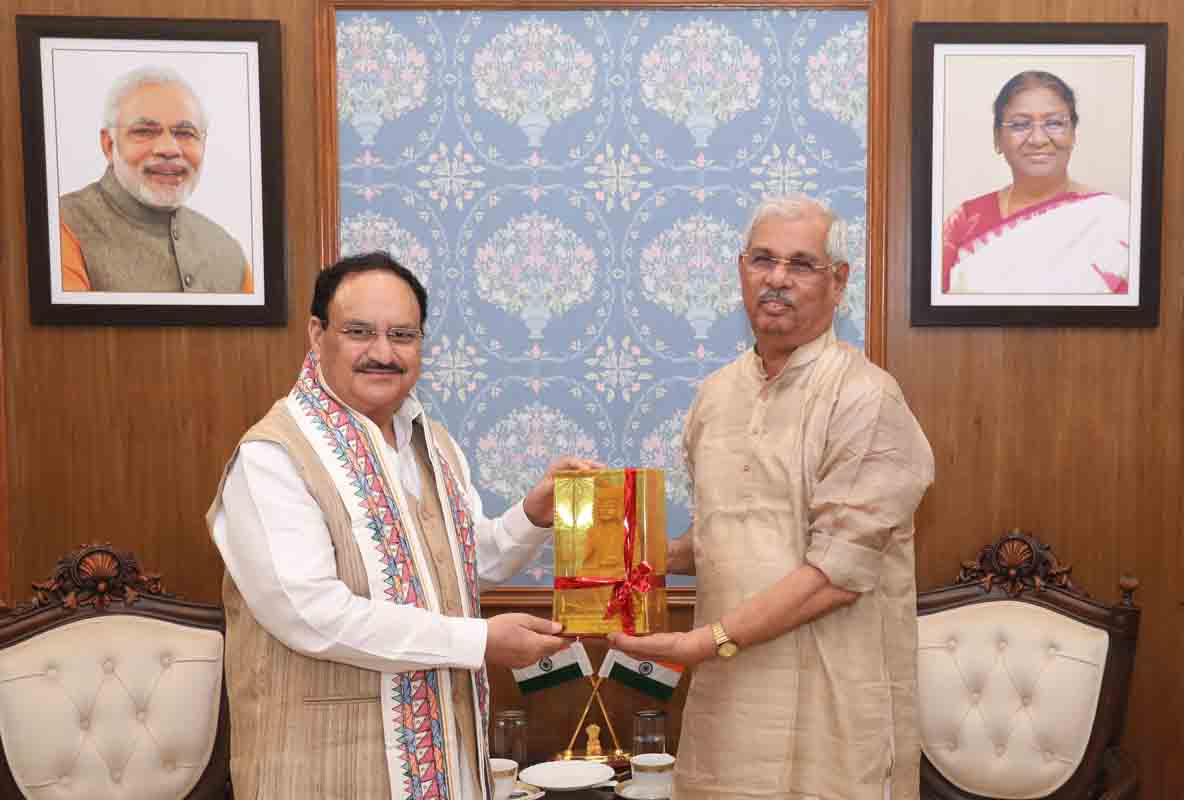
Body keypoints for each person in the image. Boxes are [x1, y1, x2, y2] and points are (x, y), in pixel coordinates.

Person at [208, 251, 597, 798]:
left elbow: (463, 565)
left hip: (447, 759)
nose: (383, 353)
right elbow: (309, 613)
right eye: (360, 332)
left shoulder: (431, 444)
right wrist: (478, 640)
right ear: (317, 335)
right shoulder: (274, 456)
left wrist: (533, 515)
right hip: (326, 770)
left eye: (403, 335)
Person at [609, 196, 934, 800]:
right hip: (729, 706)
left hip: (830, 705)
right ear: (741, 271)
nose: (777, 278)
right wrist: (629, 554)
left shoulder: (866, 398)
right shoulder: (714, 396)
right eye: (763, 259)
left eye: (801, 264)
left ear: (838, 283)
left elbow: (837, 574)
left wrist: (700, 644)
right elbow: (723, 537)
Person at [59, 65, 252, 293]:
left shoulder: (229, 254)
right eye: (145, 131)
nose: (169, 149)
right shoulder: (62, 225)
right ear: (109, 145)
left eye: (185, 133)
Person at [941, 70, 1131, 295]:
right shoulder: (964, 223)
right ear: (997, 139)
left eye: (1054, 123)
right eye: (1020, 125)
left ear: (1073, 135)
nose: (1038, 139)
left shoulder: (1116, 222)